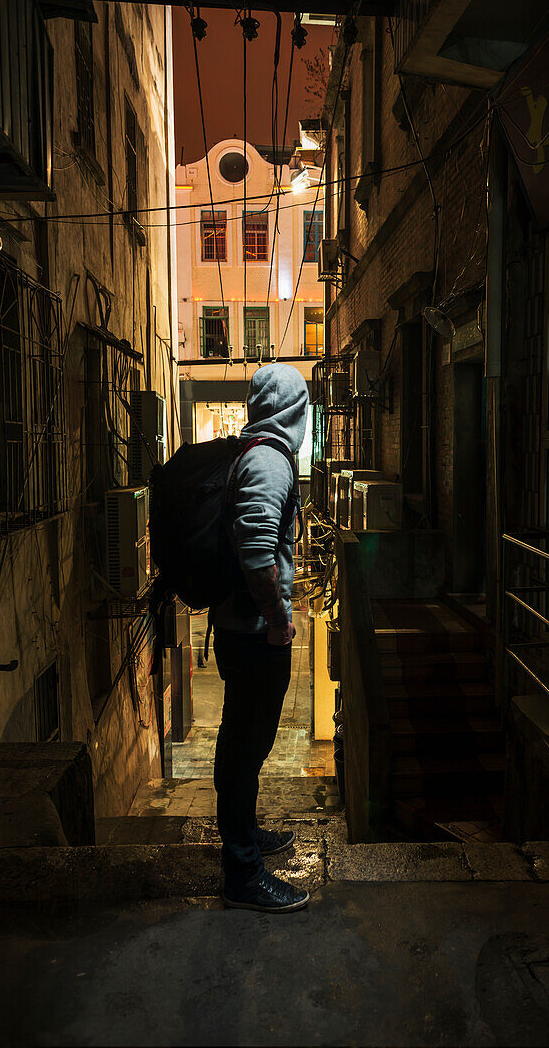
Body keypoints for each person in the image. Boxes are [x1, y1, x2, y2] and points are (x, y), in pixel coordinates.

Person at [209, 363, 309, 913]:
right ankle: (243, 874)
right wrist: (277, 619)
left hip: (239, 631)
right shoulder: (270, 461)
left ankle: (245, 835)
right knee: (244, 747)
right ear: (294, 409)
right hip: (253, 635)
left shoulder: (252, 452)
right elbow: (255, 550)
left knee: (243, 746)